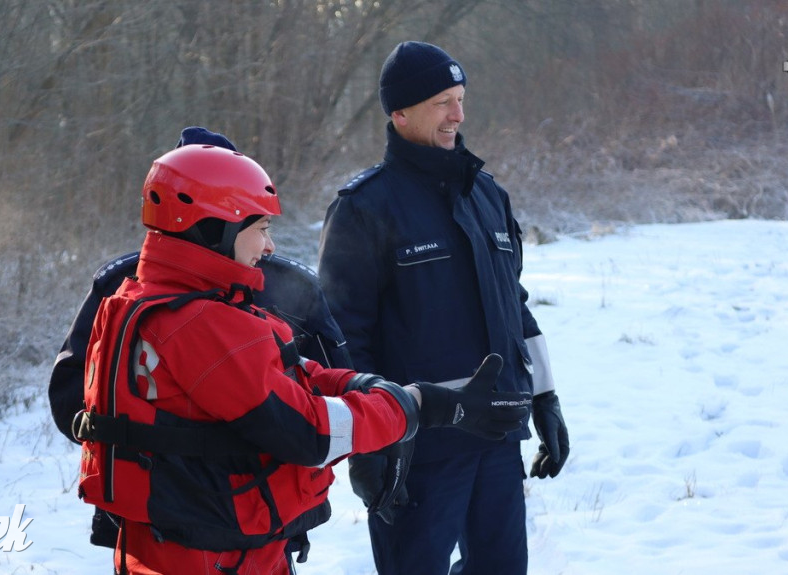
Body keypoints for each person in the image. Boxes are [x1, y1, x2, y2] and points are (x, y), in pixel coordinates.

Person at [75, 142, 533, 574]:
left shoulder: (141, 298)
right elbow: (308, 431)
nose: (269, 247)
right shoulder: (203, 325)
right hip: (217, 555)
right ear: (215, 229)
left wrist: (359, 385)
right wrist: (414, 404)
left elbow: (279, 372)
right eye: (261, 229)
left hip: (173, 542)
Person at [317, 41, 571, 575]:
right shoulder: (364, 209)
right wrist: (368, 445)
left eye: (460, 98)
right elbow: (342, 341)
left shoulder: (487, 195)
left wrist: (545, 398)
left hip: (498, 433)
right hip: (415, 450)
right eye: (441, 102)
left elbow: (515, 306)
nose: (458, 114)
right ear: (400, 112)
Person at [47, 129, 352, 560]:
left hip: (263, 518)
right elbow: (70, 398)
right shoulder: (123, 288)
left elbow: (329, 389)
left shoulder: (287, 283)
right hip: (154, 524)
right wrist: (160, 445)